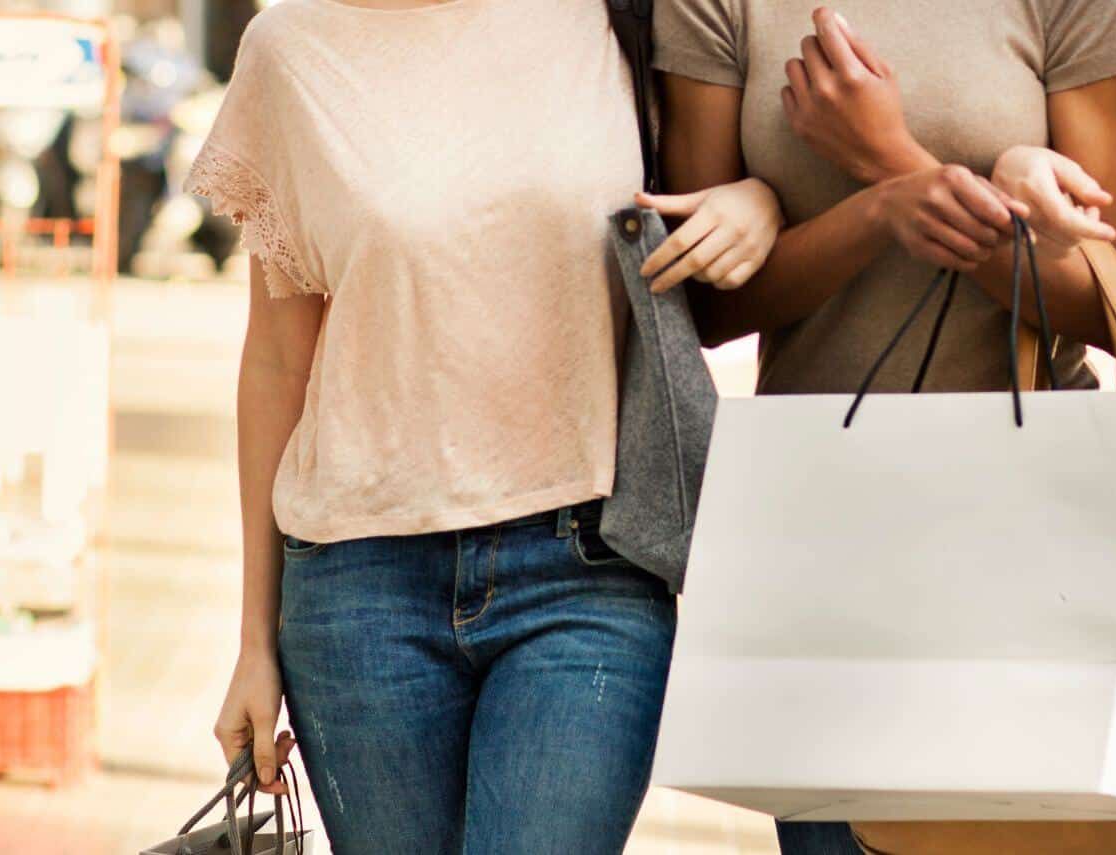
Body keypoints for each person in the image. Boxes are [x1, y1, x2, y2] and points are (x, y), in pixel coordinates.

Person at [191, 1, 782, 852]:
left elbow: (707, 176)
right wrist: (254, 642)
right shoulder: (288, 49)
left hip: (586, 566)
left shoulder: (611, 17)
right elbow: (280, 359)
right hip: (360, 591)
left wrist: (757, 199)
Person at [650, 2, 1116, 850]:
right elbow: (704, 299)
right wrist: (878, 209)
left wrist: (894, 158)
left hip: (1033, 534)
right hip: (824, 544)